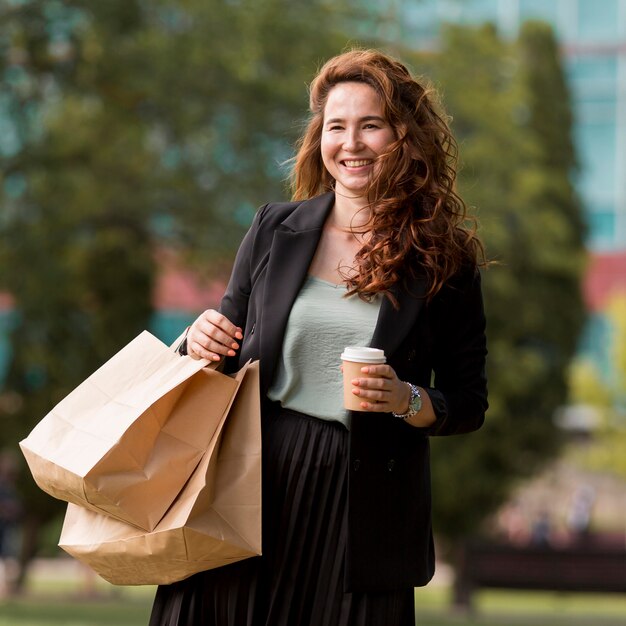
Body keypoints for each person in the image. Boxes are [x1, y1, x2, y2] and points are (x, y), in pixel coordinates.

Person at [149, 48, 488, 626]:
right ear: (320, 138)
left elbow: (469, 403)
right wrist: (194, 340)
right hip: (250, 478)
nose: (350, 143)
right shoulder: (274, 228)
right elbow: (222, 352)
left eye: (370, 125)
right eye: (337, 126)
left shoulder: (445, 260)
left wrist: (407, 401)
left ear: (404, 136)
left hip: (363, 502)